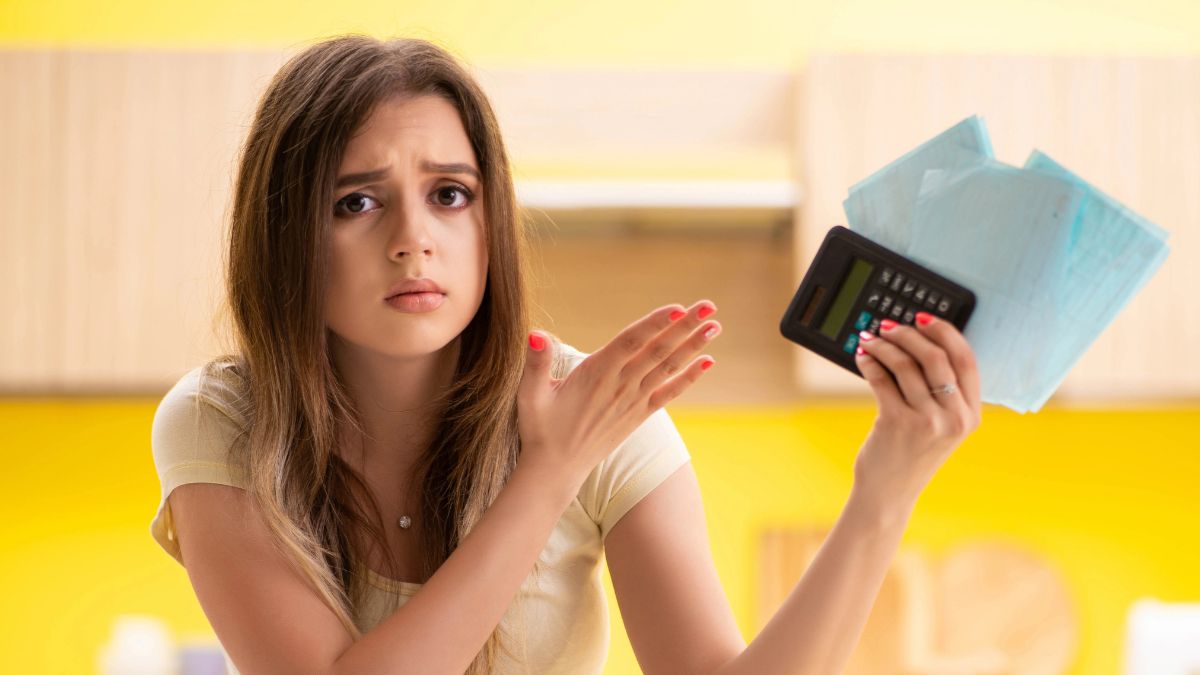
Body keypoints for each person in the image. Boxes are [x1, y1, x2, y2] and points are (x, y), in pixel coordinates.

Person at [148, 35, 981, 675]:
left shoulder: (606, 421)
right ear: (285, 232)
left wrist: (888, 484)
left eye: (450, 194)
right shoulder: (223, 420)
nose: (413, 241)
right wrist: (548, 471)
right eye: (356, 201)